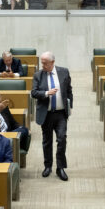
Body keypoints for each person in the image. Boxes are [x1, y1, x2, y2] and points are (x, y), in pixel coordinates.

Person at [32, 52, 73, 181]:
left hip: (61, 113)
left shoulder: (64, 72)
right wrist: (46, 93)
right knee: (47, 141)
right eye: (42, 62)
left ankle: (60, 167)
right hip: (46, 114)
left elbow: (69, 90)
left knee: (62, 139)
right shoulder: (38, 75)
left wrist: (69, 105)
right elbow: (33, 92)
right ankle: (48, 166)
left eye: (45, 63)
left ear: (52, 62)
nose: (42, 65)